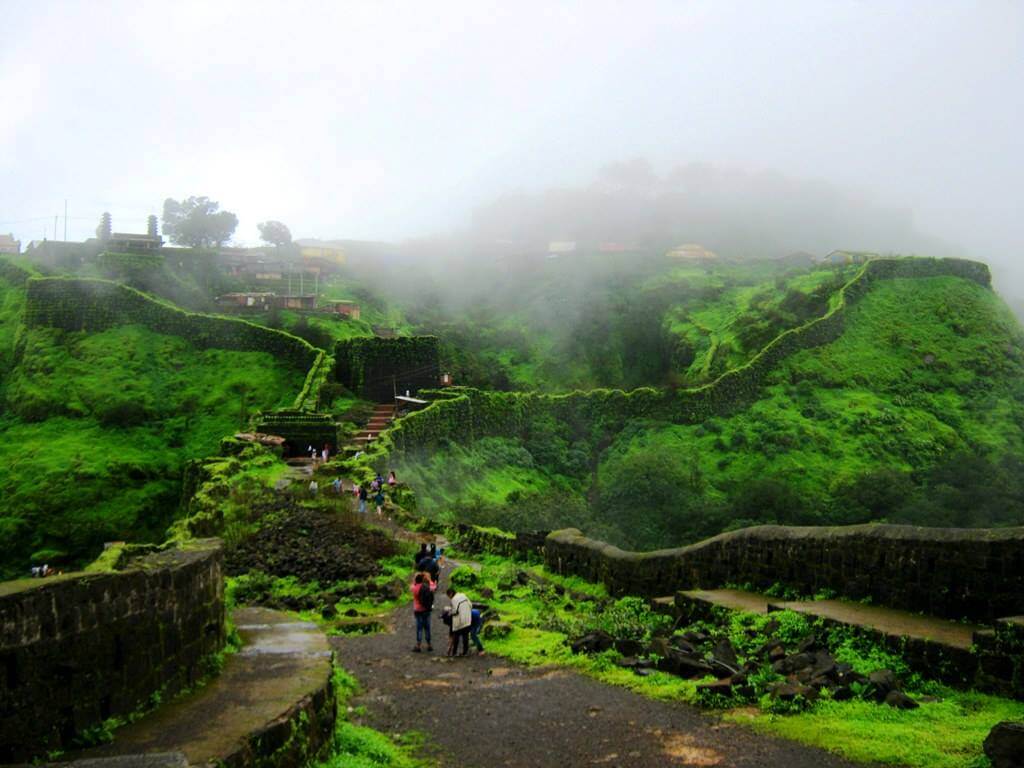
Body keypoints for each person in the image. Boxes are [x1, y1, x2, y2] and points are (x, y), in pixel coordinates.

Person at [411, 573, 436, 652]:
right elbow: (433, 589)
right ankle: (429, 645)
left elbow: (412, 587)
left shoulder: (414, 588)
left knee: (419, 628)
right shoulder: (426, 587)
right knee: (427, 627)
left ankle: (418, 645)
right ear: (422, 580)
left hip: (418, 610)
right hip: (427, 609)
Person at [447, 587, 473, 657]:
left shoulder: (454, 599)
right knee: (465, 636)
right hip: (467, 618)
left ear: (451, 594)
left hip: (459, 621)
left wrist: (450, 613)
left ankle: (454, 652)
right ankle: (465, 652)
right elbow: (470, 605)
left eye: (449, 596)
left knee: (456, 637)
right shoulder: (463, 595)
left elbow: (455, 611)